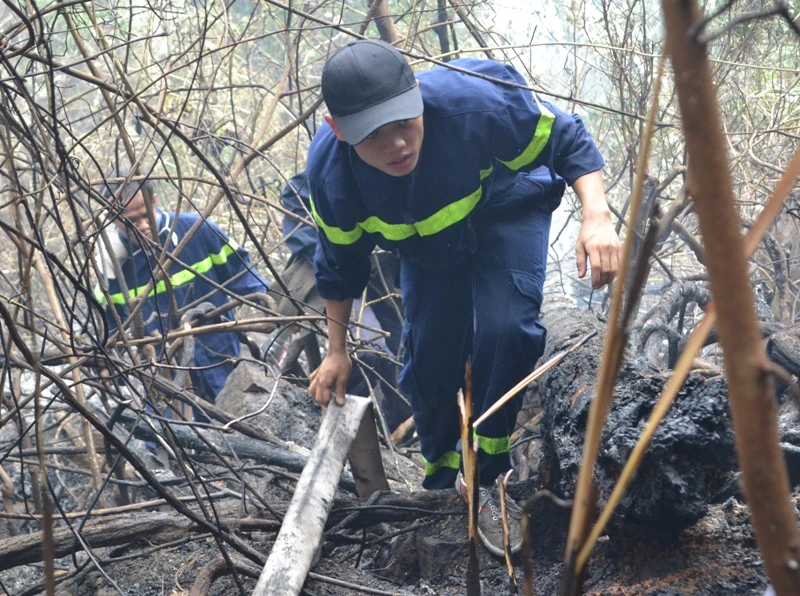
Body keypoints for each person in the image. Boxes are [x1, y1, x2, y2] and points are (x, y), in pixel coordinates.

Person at [306, 40, 621, 556]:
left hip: (508, 201)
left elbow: (566, 137)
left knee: (505, 329)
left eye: (404, 122)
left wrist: (597, 216)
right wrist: (337, 351)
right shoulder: (333, 176)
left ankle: (489, 475)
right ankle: (442, 480)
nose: (397, 144)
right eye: (373, 135)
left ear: (417, 95)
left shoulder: (472, 104)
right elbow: (340, 267)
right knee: (429, 357)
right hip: (431, 245)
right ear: (338, 130)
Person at [94, 173, 271, 418]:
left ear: (154, 200)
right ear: (110, 218)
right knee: (172, 434)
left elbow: (246, 277)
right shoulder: (112, 268)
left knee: (237, 422)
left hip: (220, 358)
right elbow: (109, 327)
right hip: (164, 376)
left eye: (146, 215)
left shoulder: (197, 231)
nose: (143, 226)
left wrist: (272, 308)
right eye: (131, 221)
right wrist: (106, 364)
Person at [278, 171, 410, 430]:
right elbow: (314, 245)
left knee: (404, 353)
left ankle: (396, 431)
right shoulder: (315, 181)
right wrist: (352, 254)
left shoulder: (390, 175)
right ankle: (338, 428)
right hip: (331, 281)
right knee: (366, 349)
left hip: (381, 284)